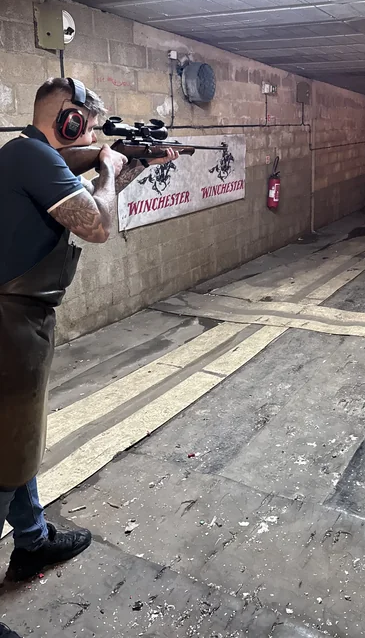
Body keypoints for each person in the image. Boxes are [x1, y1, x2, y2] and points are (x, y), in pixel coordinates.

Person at [0, 78, 177, 638]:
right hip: (6, 325)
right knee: (2, 456)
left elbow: (92, 197)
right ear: (70, 122)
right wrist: (106, 168)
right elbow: (98, 224)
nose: (96, 135)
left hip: (21, 319)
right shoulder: (30, 154)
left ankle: (31, 543)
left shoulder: (32, 156)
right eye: (90, 126)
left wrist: (133, 166)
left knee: (17, 441)